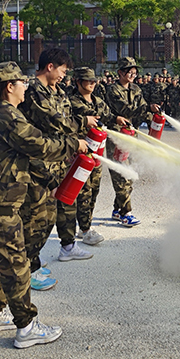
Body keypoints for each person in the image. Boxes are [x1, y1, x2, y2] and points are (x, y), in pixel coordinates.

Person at [0, 61, 84, 349]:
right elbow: (41, 146)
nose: (26, 86)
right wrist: (74, 144)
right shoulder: (8, 116)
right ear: (10, 87)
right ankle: (26, 327)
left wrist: (50, 179)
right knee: (16, 264)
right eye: (22, 82)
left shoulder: (6, 113)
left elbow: (29, 157)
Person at [19, 49, 92, 274]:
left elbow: (65, 121)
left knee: (57, 211)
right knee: (36, 218)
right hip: (39, 164)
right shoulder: (33, 91)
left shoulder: (58, 91)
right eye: (62, 70)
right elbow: (55, 122)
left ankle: (63, 248)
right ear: (50, 66)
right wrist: (83, 123)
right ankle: (27, 268)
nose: (64, 75)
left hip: (60, 160)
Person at [68, 67, 128, 245]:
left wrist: (117, 119)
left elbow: (107, 115)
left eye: (94, 81)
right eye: (88, 81)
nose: (92, 84)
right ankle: (85, 230)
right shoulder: (71, 102)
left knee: (94, 190)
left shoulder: (98, 101)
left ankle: (84, 226)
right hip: (80, 153)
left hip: (96, 154)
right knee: (83, 191)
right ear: (78, 82)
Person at [106, 57, 160, 226]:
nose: (132, 75)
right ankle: (125, 212)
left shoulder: (136, 89)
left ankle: (117, 209)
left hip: (132, 136)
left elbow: (143, 109)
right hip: (117, 137)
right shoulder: (112, 90)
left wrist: (154, 119)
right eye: (129, 72)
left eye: (134, 72)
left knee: (131, 174)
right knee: (121, 174)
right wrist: (147, 108)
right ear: (120, 72)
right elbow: (125, 110)